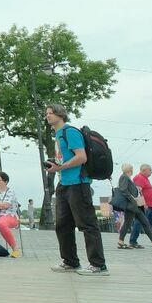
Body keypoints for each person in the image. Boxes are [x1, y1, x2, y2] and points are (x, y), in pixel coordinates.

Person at [45, 105, 108, 275]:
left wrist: (60, 167)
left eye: (51, 113)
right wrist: (57, 166)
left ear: (60, 115)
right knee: (63, 225)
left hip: (78, 183)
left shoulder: (69, 132)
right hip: (64, 183)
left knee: (87, 224)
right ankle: (70, 261)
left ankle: (98, 265)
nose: (48, 116)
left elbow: (81, 157)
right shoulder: (58, 135)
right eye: (46, 114)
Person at [114, 163, 152, 249]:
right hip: (131, 205)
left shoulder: (127, 178)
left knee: (144, 222)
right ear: (130, 170)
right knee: (133, 222)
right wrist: (133, 199)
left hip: (134, 206)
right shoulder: (124, 177)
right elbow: (123, 190)